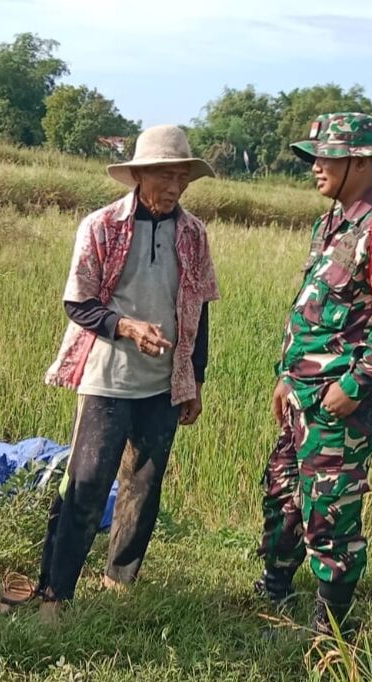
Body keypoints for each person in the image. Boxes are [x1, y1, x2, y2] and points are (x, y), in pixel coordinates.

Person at [38, 125, 218, 621]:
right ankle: (55, 592)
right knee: (87, 483)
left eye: (182, 178)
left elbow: (200, 308)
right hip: (108, 379)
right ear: (139, 175)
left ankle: (119, 579)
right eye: (165, 176)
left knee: (144, 483)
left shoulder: (193, 234)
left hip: (164, 384)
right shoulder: (102, 226)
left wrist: (195, 380)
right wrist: (127, 327)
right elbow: (79, 304)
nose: (175, 187)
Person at [255, 113, 372, 636]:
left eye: (326, 157)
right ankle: (274, 589)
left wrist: (353, 387)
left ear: (361, 163)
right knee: (283, 491)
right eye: (314, 157)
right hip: (303, 391)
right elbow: (316, 309)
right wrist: (287, 376)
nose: (315, 166)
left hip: (342, 400)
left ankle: (333, 628)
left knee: (329, 509)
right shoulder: (333, 223)